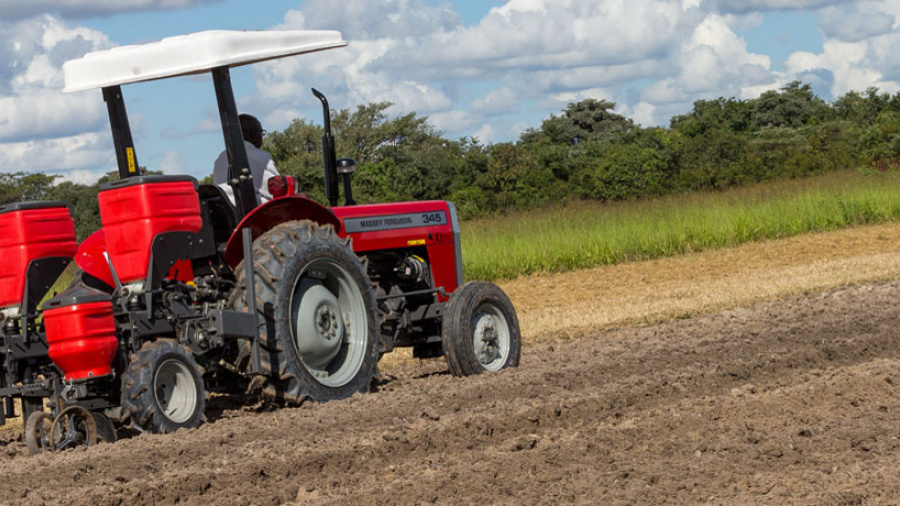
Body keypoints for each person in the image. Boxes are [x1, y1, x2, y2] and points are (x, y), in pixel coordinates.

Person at [212, 114, 280, 206]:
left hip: (227, 213)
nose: (262, 137)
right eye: (261, 133)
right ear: (253, 133)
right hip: (253, 211)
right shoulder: (262, 157)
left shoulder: (219, 160)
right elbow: (277, 191)